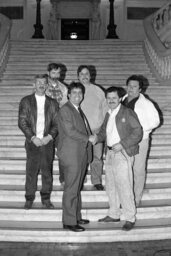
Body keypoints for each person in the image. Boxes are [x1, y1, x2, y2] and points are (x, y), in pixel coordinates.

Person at [93, 86, 142, 231]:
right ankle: (114, 213)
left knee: (124, 186)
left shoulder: (127, 112)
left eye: (114, 98)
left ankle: (130, 217)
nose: (111, 100)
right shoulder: (109, 113)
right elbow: (103, 132)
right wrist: (96, 138)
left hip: (122, 154)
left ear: (120, 98)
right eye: (109, 98)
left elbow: (138, 132)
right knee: (111, 186)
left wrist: (122, 144)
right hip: (109, 154)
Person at [18, 74, 59, 210]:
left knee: (47, 171)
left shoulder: (53, 103)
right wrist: (32, 137)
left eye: (44, 83)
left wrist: (49, 137)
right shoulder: (26, 101)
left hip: (47, 142)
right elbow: (22, 121)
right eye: (38, 82)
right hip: (32, 143)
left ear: (47, 86)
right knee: (31, 171)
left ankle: (46, 198)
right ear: (33, 85)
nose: (41, 85)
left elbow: (57, 123)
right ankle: (29, 198)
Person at [57, 82, 93, 232]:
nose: (77, 95)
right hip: (71, 155)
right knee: (71, 188)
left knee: (76, 187)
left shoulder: (77, 110)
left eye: (80, 93)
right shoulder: (65, 110)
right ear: (69, 95)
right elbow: (70, 131)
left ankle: (75, 216)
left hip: (80, 153)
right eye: (74, 93)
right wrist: (88, 139)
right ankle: (69, 221)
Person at [122, 75, 160, 206]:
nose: (131, 89)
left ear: (140, 89)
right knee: (125, 169)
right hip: (123, 141)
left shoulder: (147, 104)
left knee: (138, 169)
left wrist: (139, 129)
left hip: (140, 140)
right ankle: (126, 196)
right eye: (129, 86)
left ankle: (136, 197)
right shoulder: (122, 100)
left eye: (134, 86)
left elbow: (156, 121)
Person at [77, 65, 107, 190]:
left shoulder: (98, 91)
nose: (84, 76)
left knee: (97, 157)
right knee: (81, 156)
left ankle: (96, 180)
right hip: (80, 131)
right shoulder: (74, 90)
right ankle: (80, 178)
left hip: (96, 130)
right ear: (78, 76)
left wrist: (102, 129)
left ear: (91, 75)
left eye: (87, 74)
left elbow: (105, 110)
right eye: (82, 74)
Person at [45, 63, 68, 185]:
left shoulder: (64, 88)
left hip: (60, 125)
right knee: (47, 155)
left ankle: (63, 178)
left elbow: (65, 105)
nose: (56, 75)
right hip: (46, 126)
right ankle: (47, 181)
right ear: (48, 73)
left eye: (58, 73)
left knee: (62, 152)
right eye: (53, 73)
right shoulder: (42, 86)